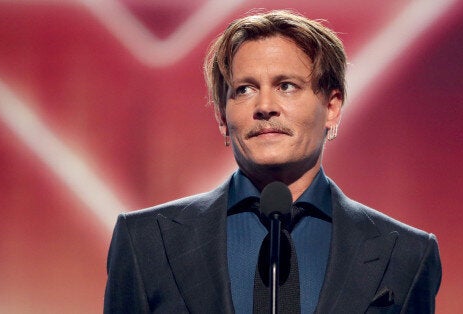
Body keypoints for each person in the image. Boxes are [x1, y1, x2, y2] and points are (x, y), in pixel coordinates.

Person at [104, 10, 441, 314]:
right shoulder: (145, 242)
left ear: (332, 106)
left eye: (286, 86)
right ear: (222, 116)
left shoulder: (408, 254)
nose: (265, 106)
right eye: (244, 90)